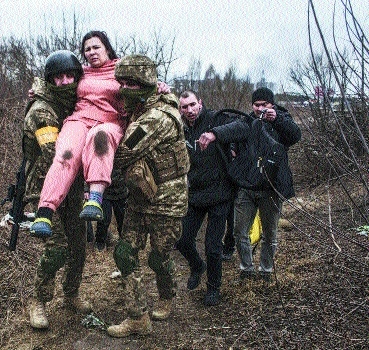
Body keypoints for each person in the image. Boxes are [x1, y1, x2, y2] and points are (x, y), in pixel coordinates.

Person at [106, 55, 189, 338]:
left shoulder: (155, 118)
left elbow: (122, 153)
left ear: (146, 85)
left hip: (167, 200)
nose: (124, 89)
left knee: (158, 257)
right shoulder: (145, 105)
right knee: (125, 252)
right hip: (140, 197)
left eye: (131, 84)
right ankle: (138, 316)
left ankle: (166, 296)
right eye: (122, 83)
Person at [30, 31, 125, 236]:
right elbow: (56, 80)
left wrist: (160, 87)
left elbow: (145, 83)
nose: (91, 52)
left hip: (109, 121)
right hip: (79, 119)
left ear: (107, 48)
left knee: (99, 138)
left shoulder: (122, 70)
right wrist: (37, 90)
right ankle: (45, 211)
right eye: (87, 49)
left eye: (96, 47)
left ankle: (95, 200)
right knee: (66, 154)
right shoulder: (82, 72)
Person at [23, 50, 91, 329]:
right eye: (58, 78)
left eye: (69, 76)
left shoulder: (74, 103)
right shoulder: (43, 110)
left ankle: (71, 293)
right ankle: (38, 300)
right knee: (58, 246)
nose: (65, 82)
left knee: (79, 243)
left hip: (72, 187)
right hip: (45, 189)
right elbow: (56, 155)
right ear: (50, 80)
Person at [175, 90, 248, 306]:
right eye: (184, 107)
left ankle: (213, 288)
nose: (189, 110)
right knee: (182, 240)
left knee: (212, 247)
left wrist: (215, 133)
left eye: (192, 105)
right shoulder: (181, 128)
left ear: (200, 103)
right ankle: (197, 266)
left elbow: (245, 126)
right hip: (196, 192)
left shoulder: (216, 118)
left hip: (220, 193)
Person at [234, 87, 301, 282]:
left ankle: (266, 271)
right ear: (252, 105)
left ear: (272, 105)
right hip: (247, 186)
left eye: (265, 105)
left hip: (271, 188)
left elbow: (295, 136)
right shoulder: (246, 122)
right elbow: (233, 140)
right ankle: (246, 269)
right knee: (240, 232)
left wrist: (276, 119)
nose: (260, 108)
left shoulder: (282, 120)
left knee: (270, 234)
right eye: (257, 105)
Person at [94, 167, 128, 251]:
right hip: (105, 192)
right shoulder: (100, 154)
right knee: (104, 219)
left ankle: (124, 241)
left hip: (121, 191)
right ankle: (100, 242)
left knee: (122, 219)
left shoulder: (122, 154)